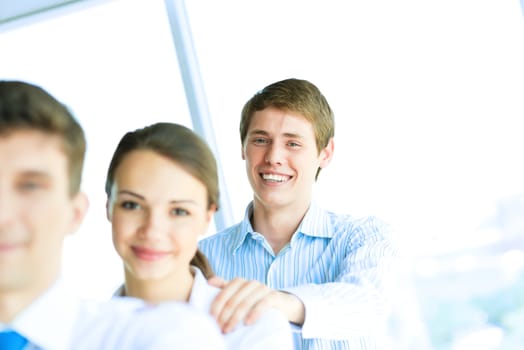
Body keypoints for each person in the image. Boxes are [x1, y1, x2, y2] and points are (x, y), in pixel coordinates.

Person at [0, 80, 225, 350]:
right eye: (133, 205)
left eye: (31, 186)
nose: (2, 213)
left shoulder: (165, 339)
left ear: (76, 213)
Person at [198, 78, 400, 349]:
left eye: (292, 143)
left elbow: (368, 304)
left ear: (325, 154)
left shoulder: (363, 237)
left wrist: (277, 302)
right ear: (243, 148)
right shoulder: (202, 259)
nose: (273, 157)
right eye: (260, 140)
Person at [104, 122, 293, 350]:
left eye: (179, 211)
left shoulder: (254, 327)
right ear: (109, 207)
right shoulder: (84, 332)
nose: (152, 230)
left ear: (207, 216)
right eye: (132, 205)